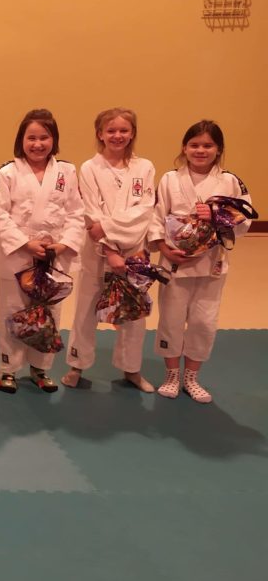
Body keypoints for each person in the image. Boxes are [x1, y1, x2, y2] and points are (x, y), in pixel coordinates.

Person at [148, 120, 252, 403]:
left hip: (211, 264)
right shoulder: (170, 179)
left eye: (208, 145)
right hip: (175, 261)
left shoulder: (230, 181)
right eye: (194, 145)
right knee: (171, 319)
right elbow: (156, 218)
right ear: (184, 148)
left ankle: (191, 377)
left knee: (203, 322)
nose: (201, 150)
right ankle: (171, 375)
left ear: (219, 149)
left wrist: (217, 216)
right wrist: (163, 248)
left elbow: (244, 220)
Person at [0, 108, 85, 394]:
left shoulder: (66, 172)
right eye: (31, 138)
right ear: (21, 140)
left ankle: (40, 369)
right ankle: (8, 369)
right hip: (18, 254)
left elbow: (76, 212)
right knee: (13, 311)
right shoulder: (7, 172)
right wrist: (25, 243)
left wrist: (64, 243)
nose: (38, 144)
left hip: (54, 256)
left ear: (54, 140)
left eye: (44, 137)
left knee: (49, 313)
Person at [63, 108, 156, 391]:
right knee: (86, 311)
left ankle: (132, 369)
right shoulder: (89, 168)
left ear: (132, 133)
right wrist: (112, 251)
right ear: (100, 134)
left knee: (133, 313)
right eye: (111, 130)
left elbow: (144, 211)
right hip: (97, 251)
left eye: (124, 130)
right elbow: (91, 214)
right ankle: (77, 365)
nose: (117, 136)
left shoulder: (145, 168)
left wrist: (109, 228)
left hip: (134, 251)